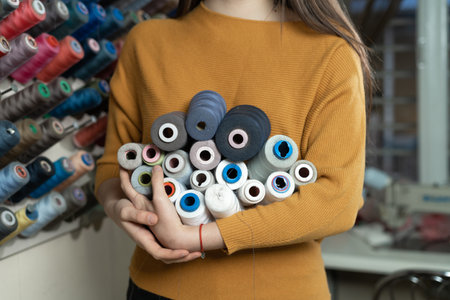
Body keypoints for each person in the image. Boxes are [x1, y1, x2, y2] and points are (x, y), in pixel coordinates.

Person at [95, 0, 373, 299]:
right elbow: (114, 166)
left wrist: (197, 236)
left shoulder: (331, 55)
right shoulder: (147, 41)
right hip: (156, 289)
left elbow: (338, 201)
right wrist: (122, 211)